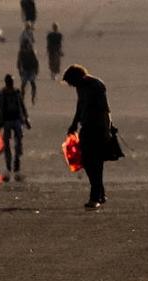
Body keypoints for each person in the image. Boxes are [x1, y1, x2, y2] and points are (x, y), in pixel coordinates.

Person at [63, 63, 112, 209]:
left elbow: (105, 108)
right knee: (89, 162)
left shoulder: (96, 85)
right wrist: (74, 124)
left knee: (94, 163)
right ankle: (99, 193)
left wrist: (107, 128)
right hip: (86, 128)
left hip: (97, 128)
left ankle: (95, 196)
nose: (71, 86)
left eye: (71, 82)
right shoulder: (81, 86)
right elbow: (80, 107)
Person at [0, 73, 29, 178]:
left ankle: (16, 160)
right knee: (7, 144)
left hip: (16, 120)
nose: (11, 83)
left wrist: (26, 119)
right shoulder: (1, 94)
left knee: (18, 141)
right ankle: (9, 163)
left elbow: (22, 106)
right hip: (7, 121)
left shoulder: (16, 93)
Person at [17, 23, 39, 104]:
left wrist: (36, 69)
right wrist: (19, 69)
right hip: (26, 69)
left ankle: (33, 97)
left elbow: (36, 61)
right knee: (24, 84)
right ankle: (22, 97)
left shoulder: (31, 52)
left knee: (32, 84)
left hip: (31, 69)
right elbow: (19, 61)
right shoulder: (22, 52)